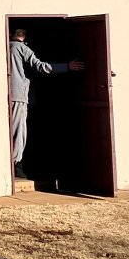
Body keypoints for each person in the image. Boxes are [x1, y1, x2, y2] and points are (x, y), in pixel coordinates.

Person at [9, 27, 83, 179]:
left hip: (8, 93)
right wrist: (67, 66)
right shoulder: (21, 48)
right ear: (24, 36)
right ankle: (16, 164)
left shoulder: (4, 46)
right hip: (19, 95)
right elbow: (41, 67)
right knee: (19, 130)